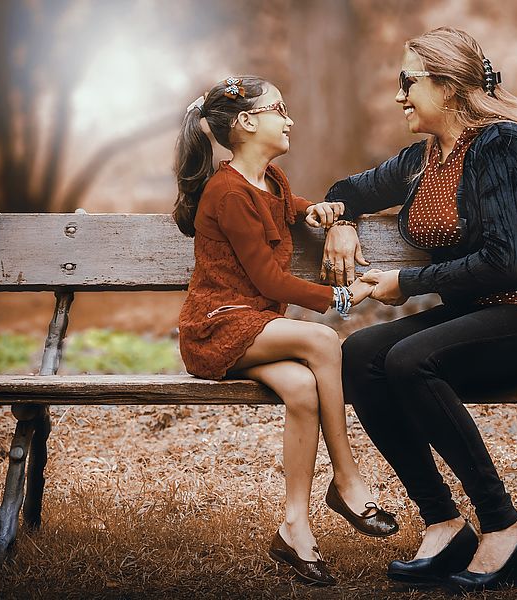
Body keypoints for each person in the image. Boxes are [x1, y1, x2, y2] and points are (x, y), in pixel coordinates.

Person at [322, 28, 517, 592]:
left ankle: (503, 525)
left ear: (446, 87)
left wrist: (408, 281)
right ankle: (444, 521)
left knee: (410, 360)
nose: (399, 96)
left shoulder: (503, 145)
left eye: (407, 82)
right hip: (482, 314)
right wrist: (342, 222)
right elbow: (349, 186)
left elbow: (505, 262)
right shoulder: (425, 158)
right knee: (362, 354)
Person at [172, 76, 398, 587]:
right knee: (321, 340)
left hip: (254, 325)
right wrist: (346, 296)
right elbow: (270, 280)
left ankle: (294, 526)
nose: (288, 118)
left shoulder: (271, 180)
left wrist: (324, 213)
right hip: (216, 326)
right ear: (247, 123)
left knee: (301, 389)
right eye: (279, 109)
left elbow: (289, 210)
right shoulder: (226, 191)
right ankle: (346, 478)